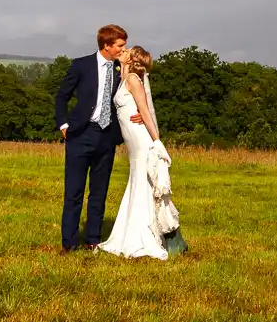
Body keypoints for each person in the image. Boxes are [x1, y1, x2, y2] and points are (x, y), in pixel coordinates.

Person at [55, 25, 140, 252]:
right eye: (120, 45)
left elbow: (131, 96)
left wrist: (138, 114)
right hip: (80, 135)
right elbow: (62, 97)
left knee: (99, 192)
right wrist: (64, 125)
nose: (125, 49)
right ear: (107, 45)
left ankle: (93, 240)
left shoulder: (121, 69)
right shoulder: (81, 65)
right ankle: (69, 244)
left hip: (106, 137)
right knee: (73, 192)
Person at [98, 45, 185, 260]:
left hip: (140, 138)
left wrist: (156, 140)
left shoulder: (134, 80)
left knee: (143, 183)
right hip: (132, 140)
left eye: (126, 50)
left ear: (131, 59)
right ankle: (130, 231)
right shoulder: (123, 78)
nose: (123, 50)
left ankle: (145, 235)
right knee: (136, 181)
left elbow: (144, 110)